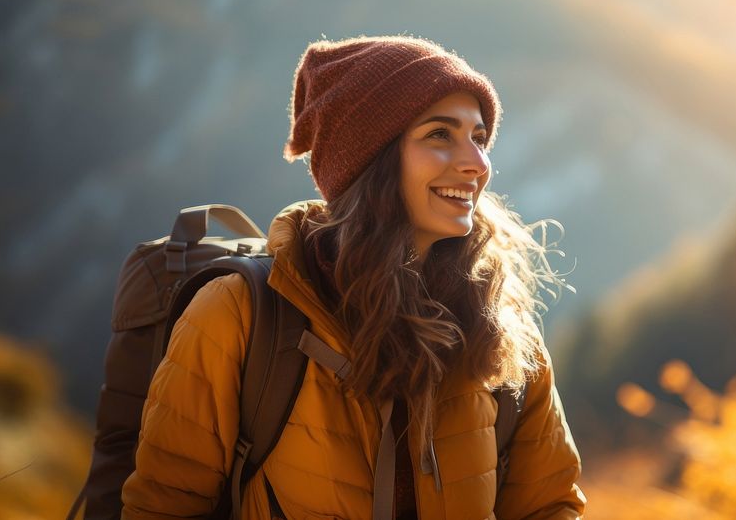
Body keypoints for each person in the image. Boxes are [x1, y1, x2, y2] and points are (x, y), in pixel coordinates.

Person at [120, 35, 585, 520]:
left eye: (479, 137)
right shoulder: (238, 314)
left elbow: (550, 505)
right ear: (371, 160)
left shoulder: (503, 334)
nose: (477, 163)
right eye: (440, 134)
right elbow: (162, 507)